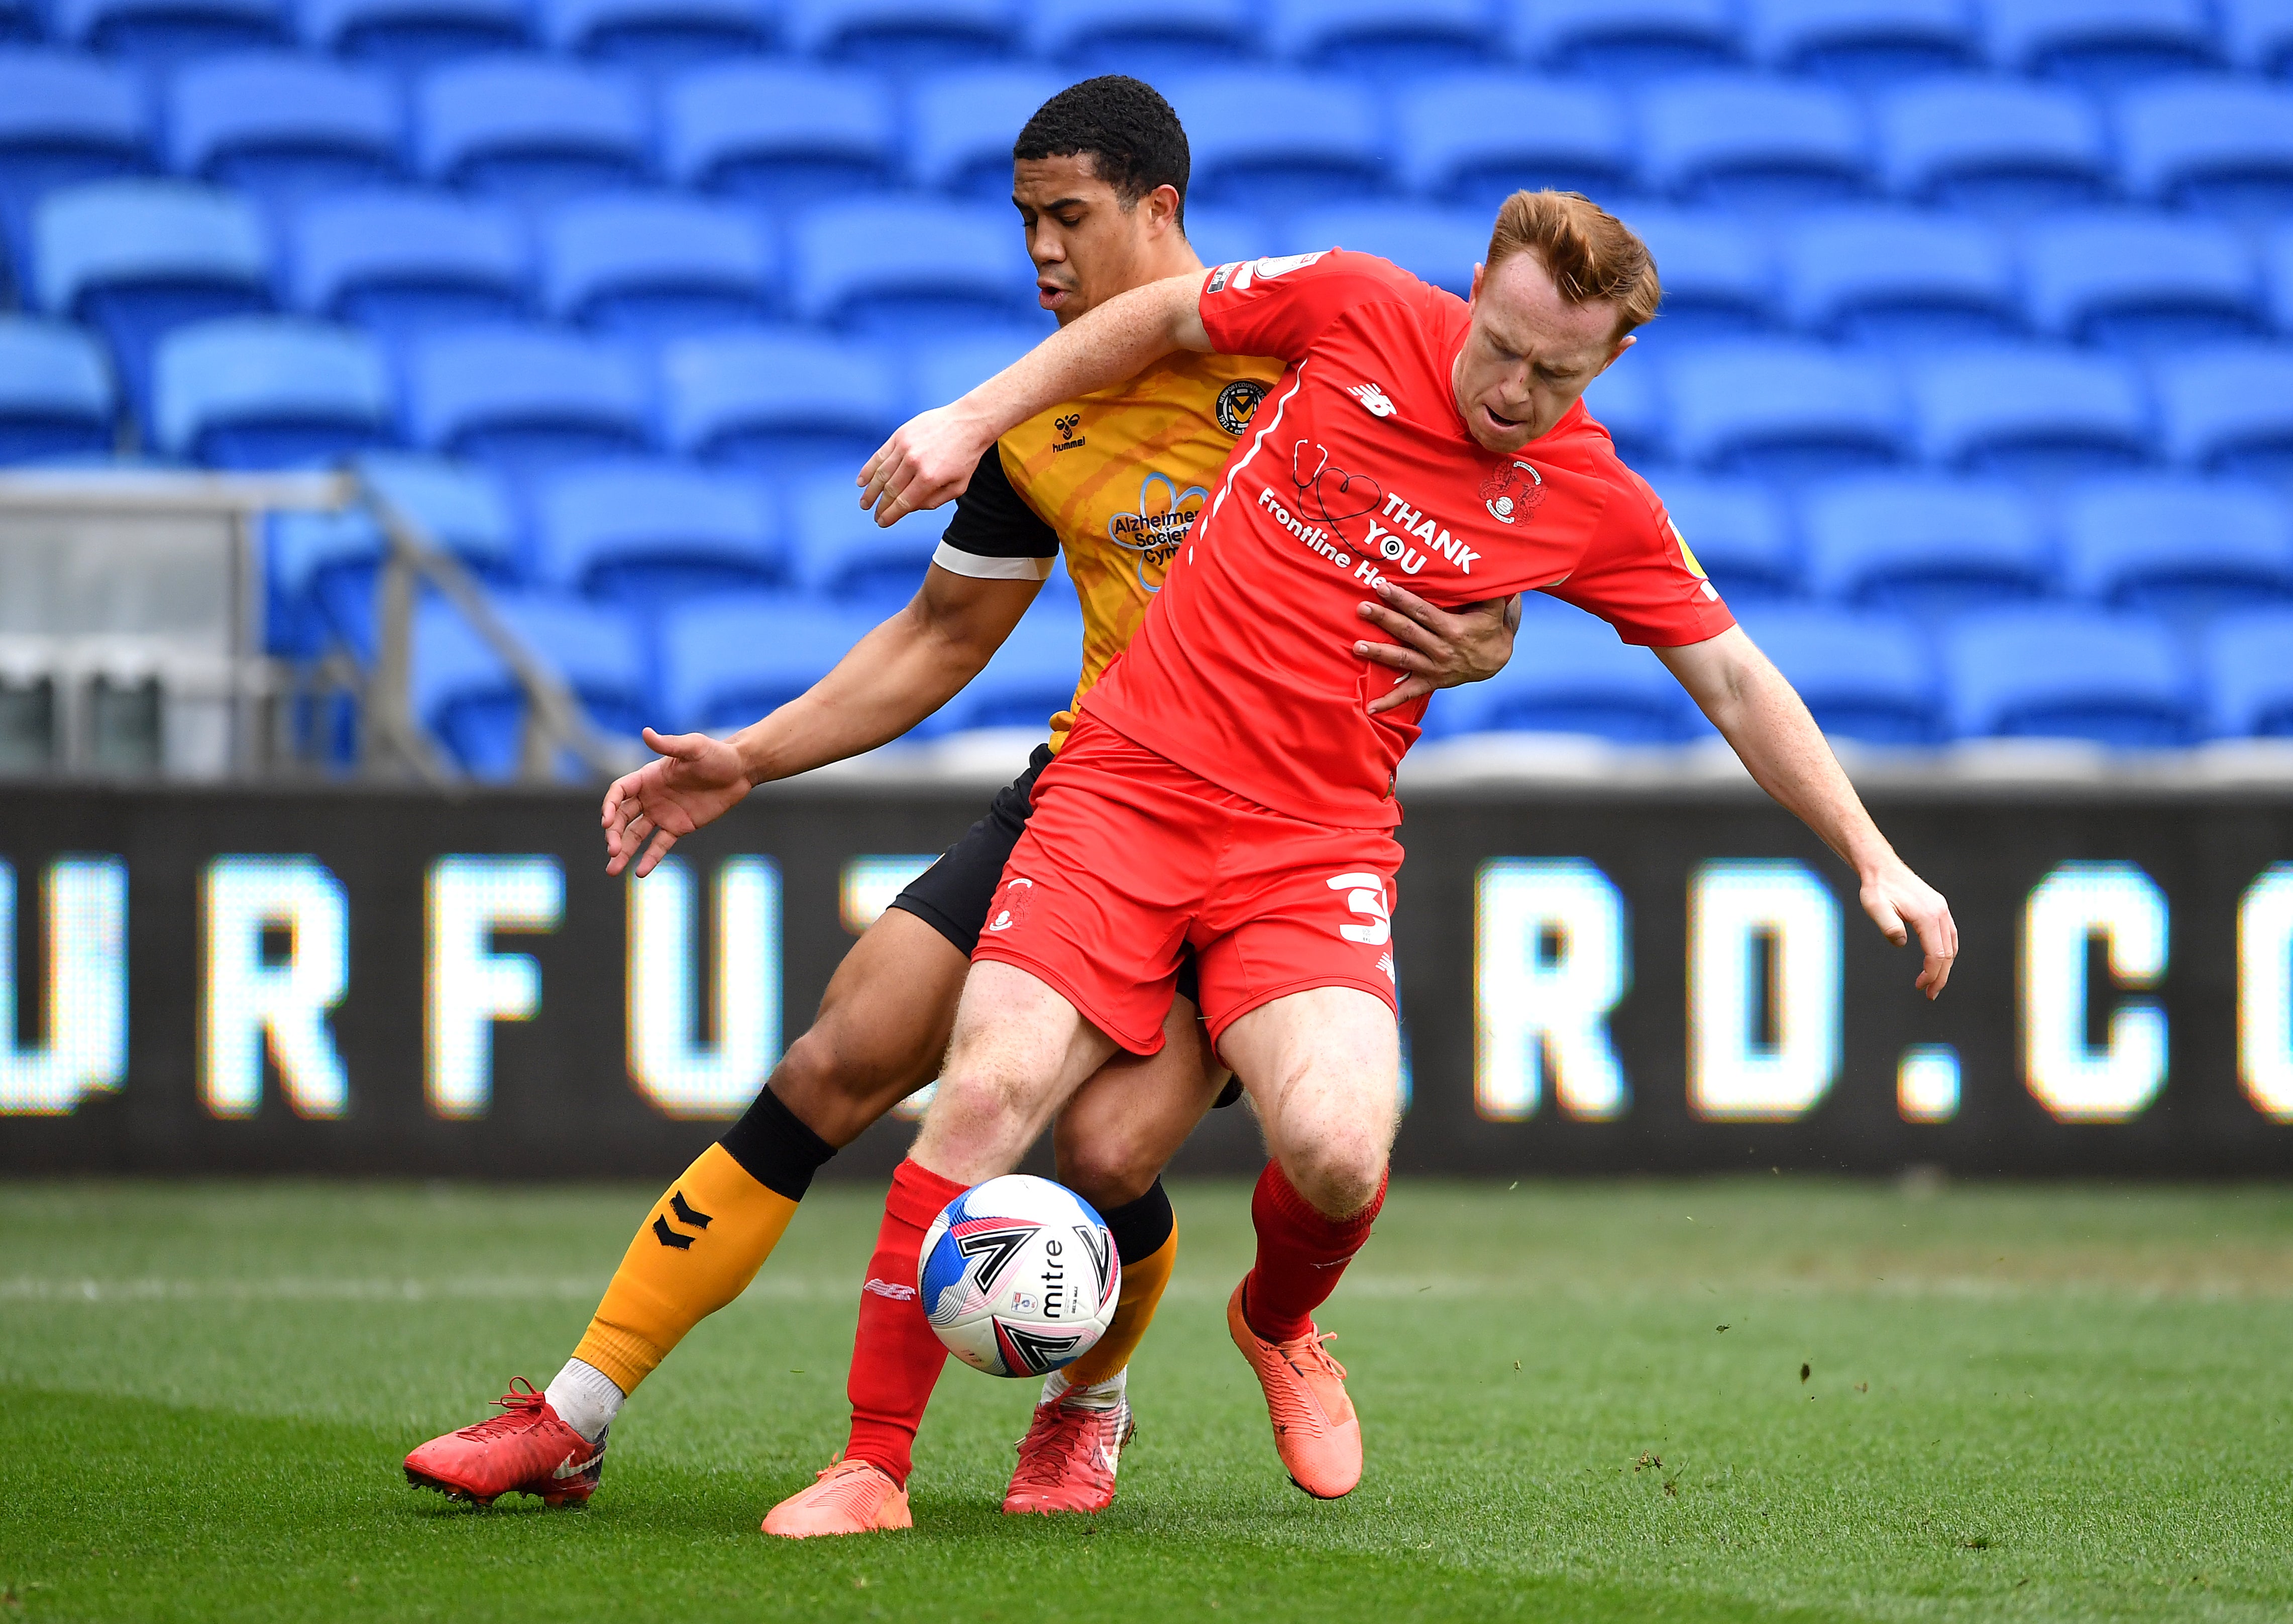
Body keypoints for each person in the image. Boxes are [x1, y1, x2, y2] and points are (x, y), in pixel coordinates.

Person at [400, 76, 1519, 1526]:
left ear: (1159, 209)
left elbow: (1492, 514)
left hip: (1265, 833)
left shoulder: (1310, 355)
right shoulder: (1039, 412)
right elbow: (942, 637)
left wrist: (1490, 631)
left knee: (1106, 1149)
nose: (1042, 250)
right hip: (1090, 792)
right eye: (1025, 221)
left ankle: (1086, 1404)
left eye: (1071, 216)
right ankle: (576, 1409)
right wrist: (753, 752)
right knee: (833, 1061)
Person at [832, 188, 1962, 1513]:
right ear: (1476, 283)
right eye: (1501, 345)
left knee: (1339, 1151)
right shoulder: (1358, 302)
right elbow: (1159, 314)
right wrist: (976, 416)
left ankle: (1277, 1319)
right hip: (1126, 787)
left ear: (1614, 361)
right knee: (990, 1095)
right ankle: (872, 1462)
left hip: (1310, 850)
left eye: (1557, 372)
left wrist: (1873, 854)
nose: (1513, 390)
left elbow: (1733, 680)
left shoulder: (1591, 500)